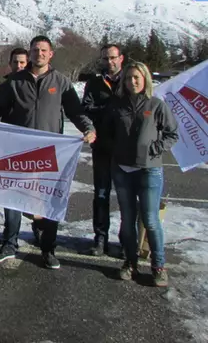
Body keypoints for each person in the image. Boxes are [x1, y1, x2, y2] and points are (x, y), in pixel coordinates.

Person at [0, 36, 95, 270]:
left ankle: (48, 249)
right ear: (30, 53)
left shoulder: (60, 82)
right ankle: (9, 243)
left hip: (48, 154)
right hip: (18, 151)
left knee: (46, 200)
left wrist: (88, 127)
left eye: (43, 50)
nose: (39, 54)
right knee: (12, 197)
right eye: (35, 50)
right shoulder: (15, 81)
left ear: (50, 54)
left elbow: (75, 110)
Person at [102, 61, 178, 287]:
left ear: (144, 79)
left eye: (136, 77)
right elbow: (106, 134)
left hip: (149, 170)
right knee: (127, 221)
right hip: (123, 170)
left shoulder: (156, 105)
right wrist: (115, 149)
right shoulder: (116, 106)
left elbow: (172, 134)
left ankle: (159, 266)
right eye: (128, 78)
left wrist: (155, 148)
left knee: (151, 220)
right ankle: (130, 263)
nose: (132, 82)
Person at [82, 44, 124, 256]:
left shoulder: (131, 80)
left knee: (127, 196)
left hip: (127, 149)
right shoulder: (95, 83)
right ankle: (100, 237)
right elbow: (87, 108)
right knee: (101, 194)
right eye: (106, 58)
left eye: (113, 58)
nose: (110, 62)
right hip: (102, 147)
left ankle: (127, 239)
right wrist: (110, 110)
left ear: (121, 58)